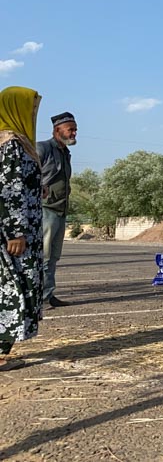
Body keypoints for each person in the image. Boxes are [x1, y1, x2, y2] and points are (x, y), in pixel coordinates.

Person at [0, 86, 45, 370]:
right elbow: (10, 190)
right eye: (30, 107)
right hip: (17, 234)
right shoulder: (12, 144)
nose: (33, 113)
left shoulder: (15, 142)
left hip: (23, 228)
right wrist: (16, 232)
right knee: (12, 289)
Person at [37, 110, 77, 308]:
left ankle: (47, 295)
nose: (74, 133)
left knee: (53, 256)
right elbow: (29, 173)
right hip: (45, 210)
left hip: (60, 210)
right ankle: (37, 298)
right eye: (71, 129)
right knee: (43, 255)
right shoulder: (42, 148)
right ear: (57, 130)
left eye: (75, 130)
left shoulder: (65, 153)